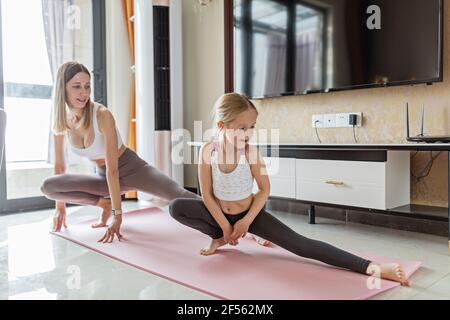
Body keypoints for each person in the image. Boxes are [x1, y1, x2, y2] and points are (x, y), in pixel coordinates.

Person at [169, 93, 412, 286]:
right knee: (177, 207)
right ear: (221, 125)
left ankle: (372, 267)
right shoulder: (206, 151)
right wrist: (223, 226)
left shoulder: (251, 152)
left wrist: (244, 223)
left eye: (252, 126)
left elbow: (264, 190)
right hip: (218, 214)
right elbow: (207, 195)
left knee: (301, 245)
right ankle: (218, 238)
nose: (249, 133)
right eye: (242, 128)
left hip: (249, 215)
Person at [41, 61, 199, 243]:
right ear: (63, 88)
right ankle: (103, 204)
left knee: (181, 196)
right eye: (77, 86)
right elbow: (60, 165)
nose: (84, 93)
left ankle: (231, 216)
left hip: (132, 169)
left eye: (87, 86)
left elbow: (113, 169)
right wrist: (60, 207)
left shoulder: (101, 114)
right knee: (49, 187)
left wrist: (117, 216)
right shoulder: (62, 120)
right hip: (103, 177)